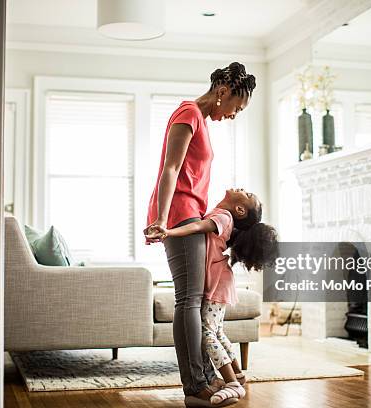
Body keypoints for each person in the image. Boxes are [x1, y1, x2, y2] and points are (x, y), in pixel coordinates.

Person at [144, 62, 256, 407]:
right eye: (236, 107)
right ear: (222, 93)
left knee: (192, 300)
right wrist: (162, 220)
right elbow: (171, 168)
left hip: (188, 213)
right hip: (178, 215)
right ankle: (195, 384)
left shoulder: (200, 121)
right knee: (189, 301)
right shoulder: (189, 112)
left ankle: (203, 377)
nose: (234, 115)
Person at [147, 188, 279, 405]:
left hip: (217, 282)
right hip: (221, 281)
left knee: (208, 332)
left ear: (239, 209)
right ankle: (237, 373)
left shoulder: (224, 217)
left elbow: (198, 226)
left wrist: (169, 232)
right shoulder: (224, 216)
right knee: (216, 330)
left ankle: (231, 382)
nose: (243, 190)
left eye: (248, 195)